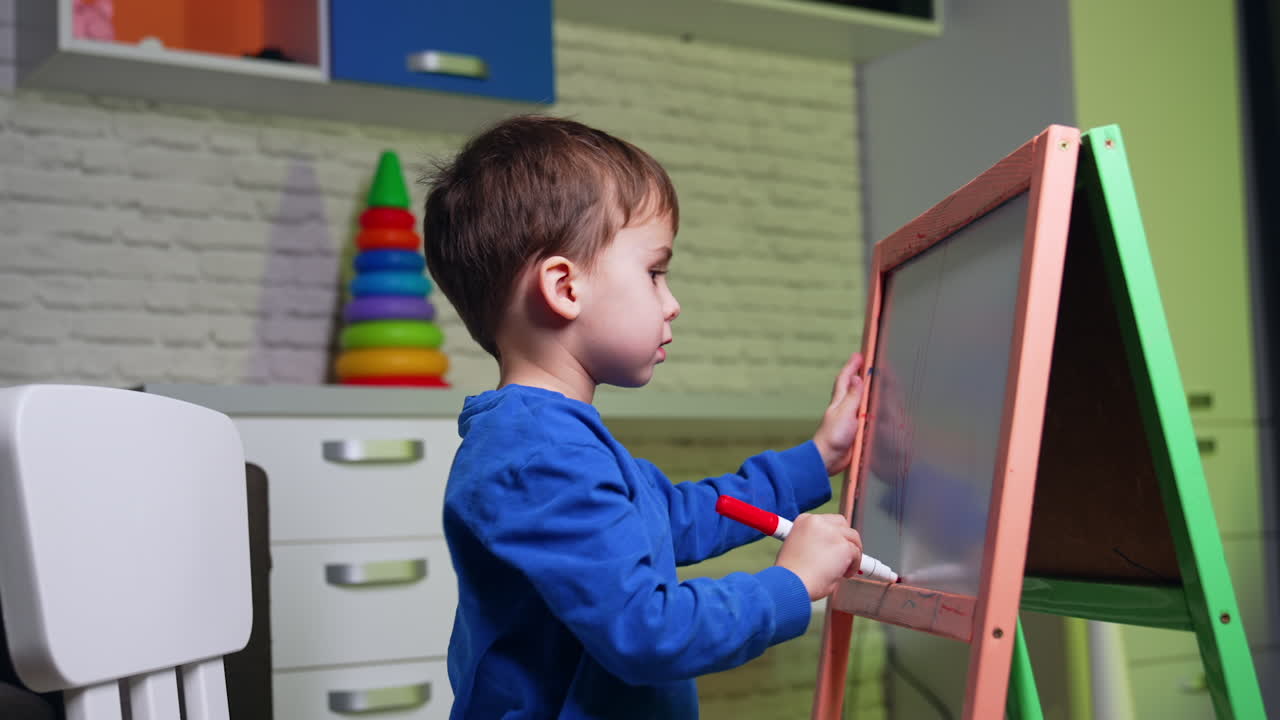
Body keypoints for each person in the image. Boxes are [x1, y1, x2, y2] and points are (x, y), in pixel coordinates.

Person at [423, 114, 867, 719]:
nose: (673, 302)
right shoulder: (538, 456)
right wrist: (789, 585)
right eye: (655, 272)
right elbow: (649, 632)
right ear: (565, 288)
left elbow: (676, 517)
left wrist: (819, 458)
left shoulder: (551, 438)